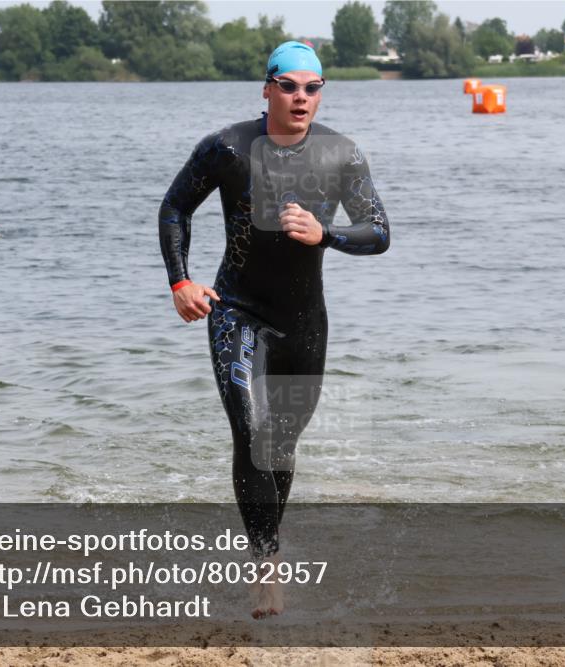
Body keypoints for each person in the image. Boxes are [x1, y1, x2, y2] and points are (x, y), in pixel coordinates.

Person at [158, 41, 390, 618]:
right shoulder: (227, 148)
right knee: (252, 431)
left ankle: (267, 543)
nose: (300, 97)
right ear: (267, 89)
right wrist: (181, 281)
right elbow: (174, 208)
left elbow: (379, 231)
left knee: (281, 443)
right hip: (236, 311)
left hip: (303, 321)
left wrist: (326, 234)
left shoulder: (342, 154)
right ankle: (266, 566)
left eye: (312, 88)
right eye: (288, 86)